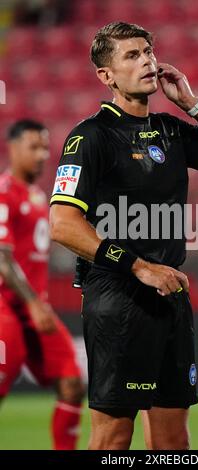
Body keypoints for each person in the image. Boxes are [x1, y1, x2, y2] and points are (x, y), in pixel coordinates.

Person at [49, 22, 198, 450]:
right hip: (118, 295)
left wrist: (193, 104)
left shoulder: (171, 129)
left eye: (147, 51)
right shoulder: (91, 137)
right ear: (105, 76)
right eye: (131, 55)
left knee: (172, 443)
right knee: (113, 439)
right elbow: (63, 225)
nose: (146, 60)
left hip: (169, 294)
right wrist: (139, 267)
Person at [0, 120, 85, 450]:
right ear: (13, 148)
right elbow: (2, 258)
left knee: (72, 383)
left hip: (33, 305)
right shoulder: (4, 192)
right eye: (33, 147)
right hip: (7, 305)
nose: (41, 155)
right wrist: (34, 302)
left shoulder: (38, 196)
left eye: (45, 148)